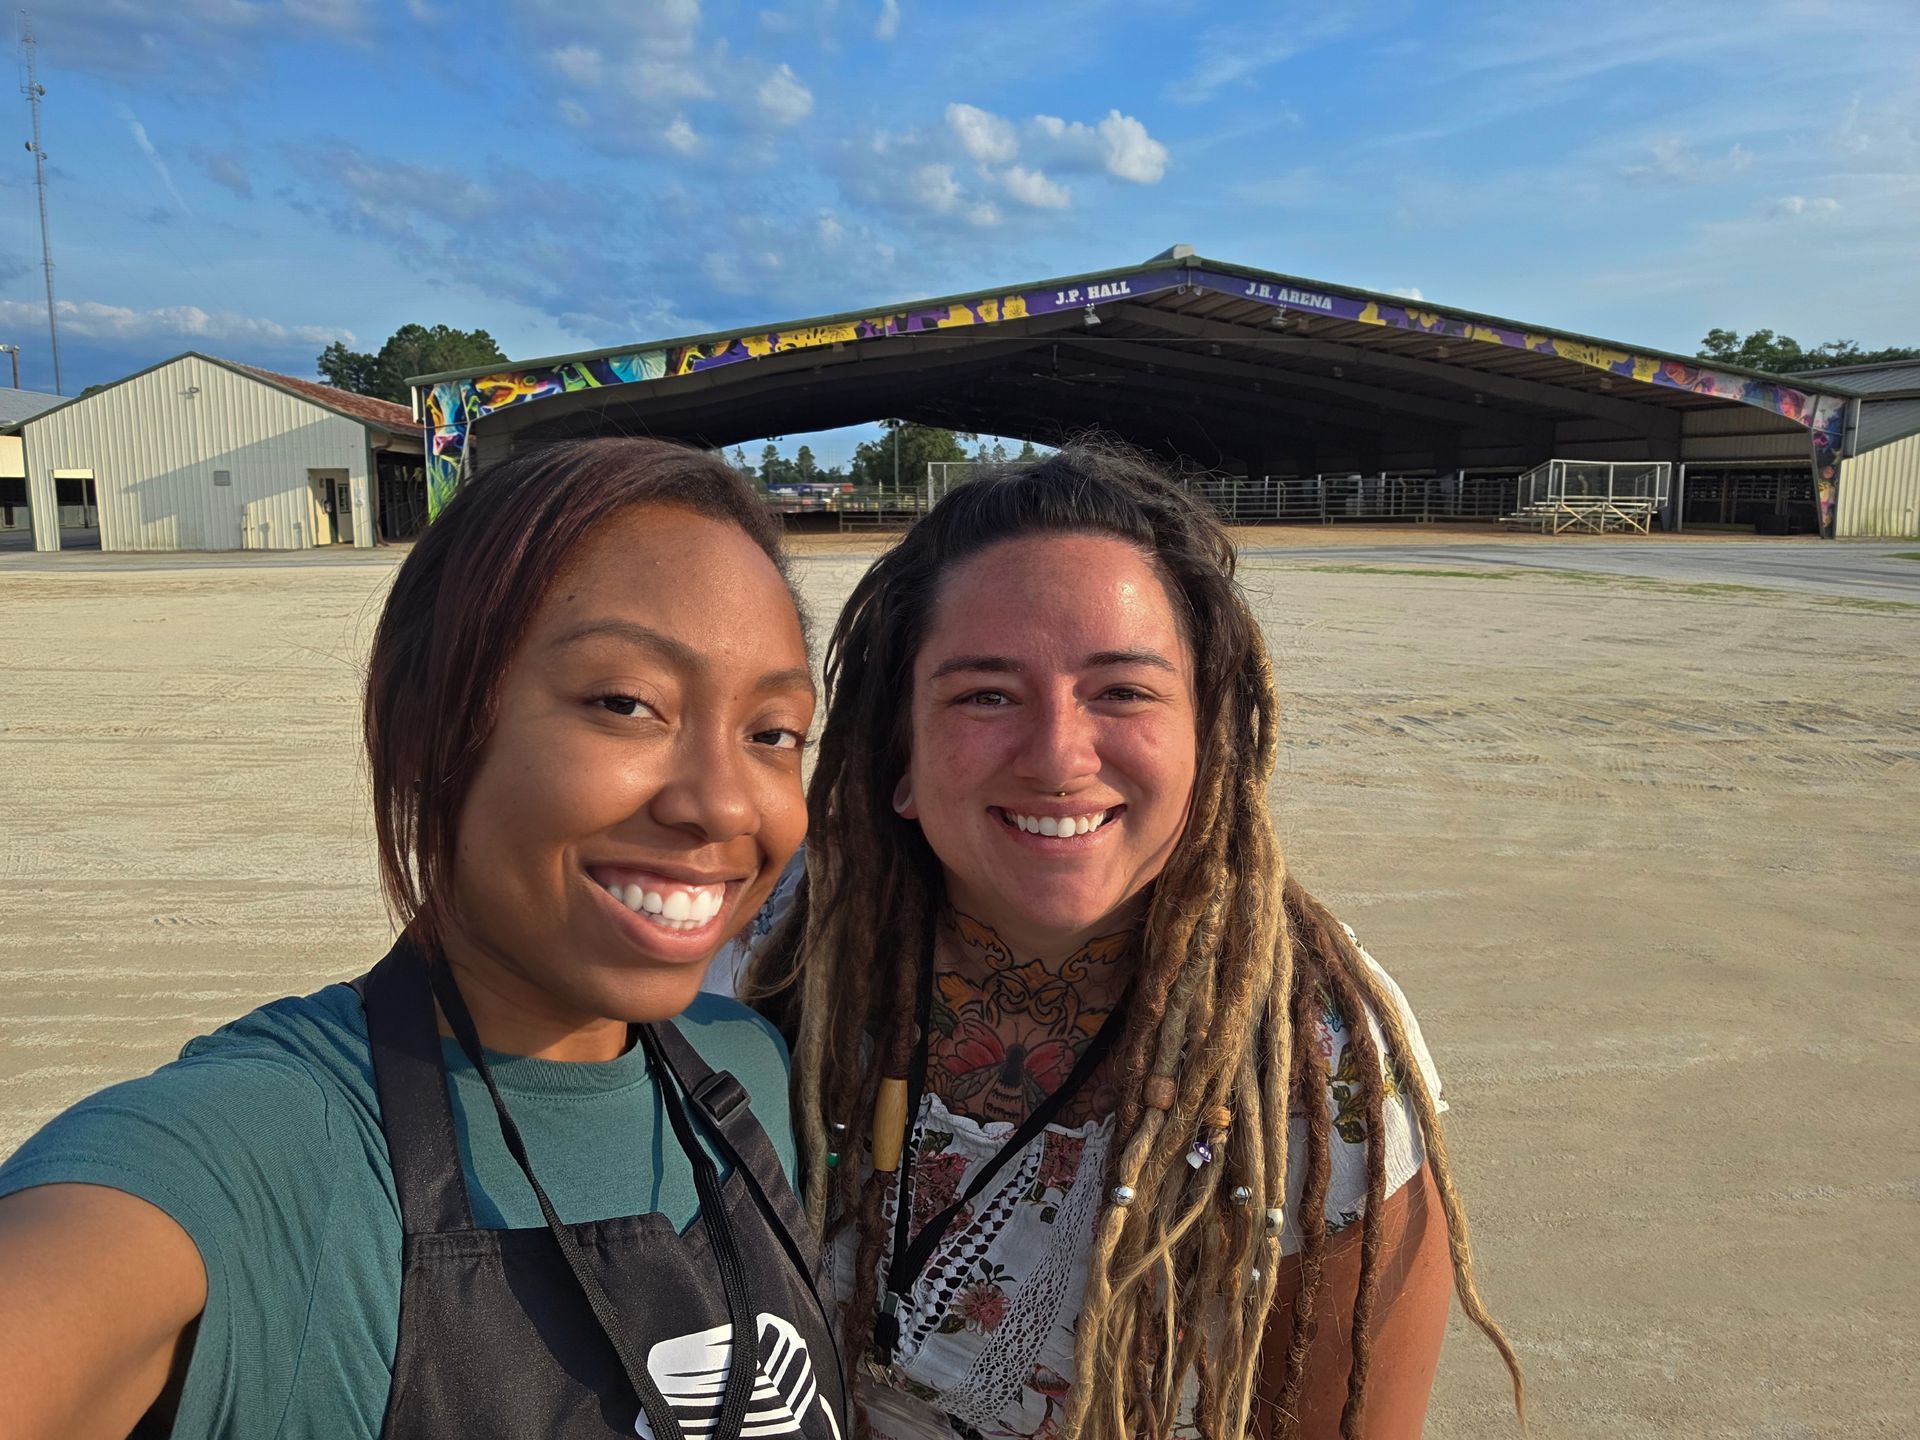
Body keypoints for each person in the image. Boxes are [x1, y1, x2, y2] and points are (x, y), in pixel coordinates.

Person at [0, 438, 847, 1440]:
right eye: (626, 704)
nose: (719, 805)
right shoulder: (263, 1154)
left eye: (771, 732)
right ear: (428, 732)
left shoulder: (742, 1065)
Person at [744, 444, 1525, 1440]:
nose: (1060, 757)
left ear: (1211, 745)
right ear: (900, 753)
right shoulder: (777, 939)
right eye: (986, 694)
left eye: (1122, 691)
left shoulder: (1320, 1056)